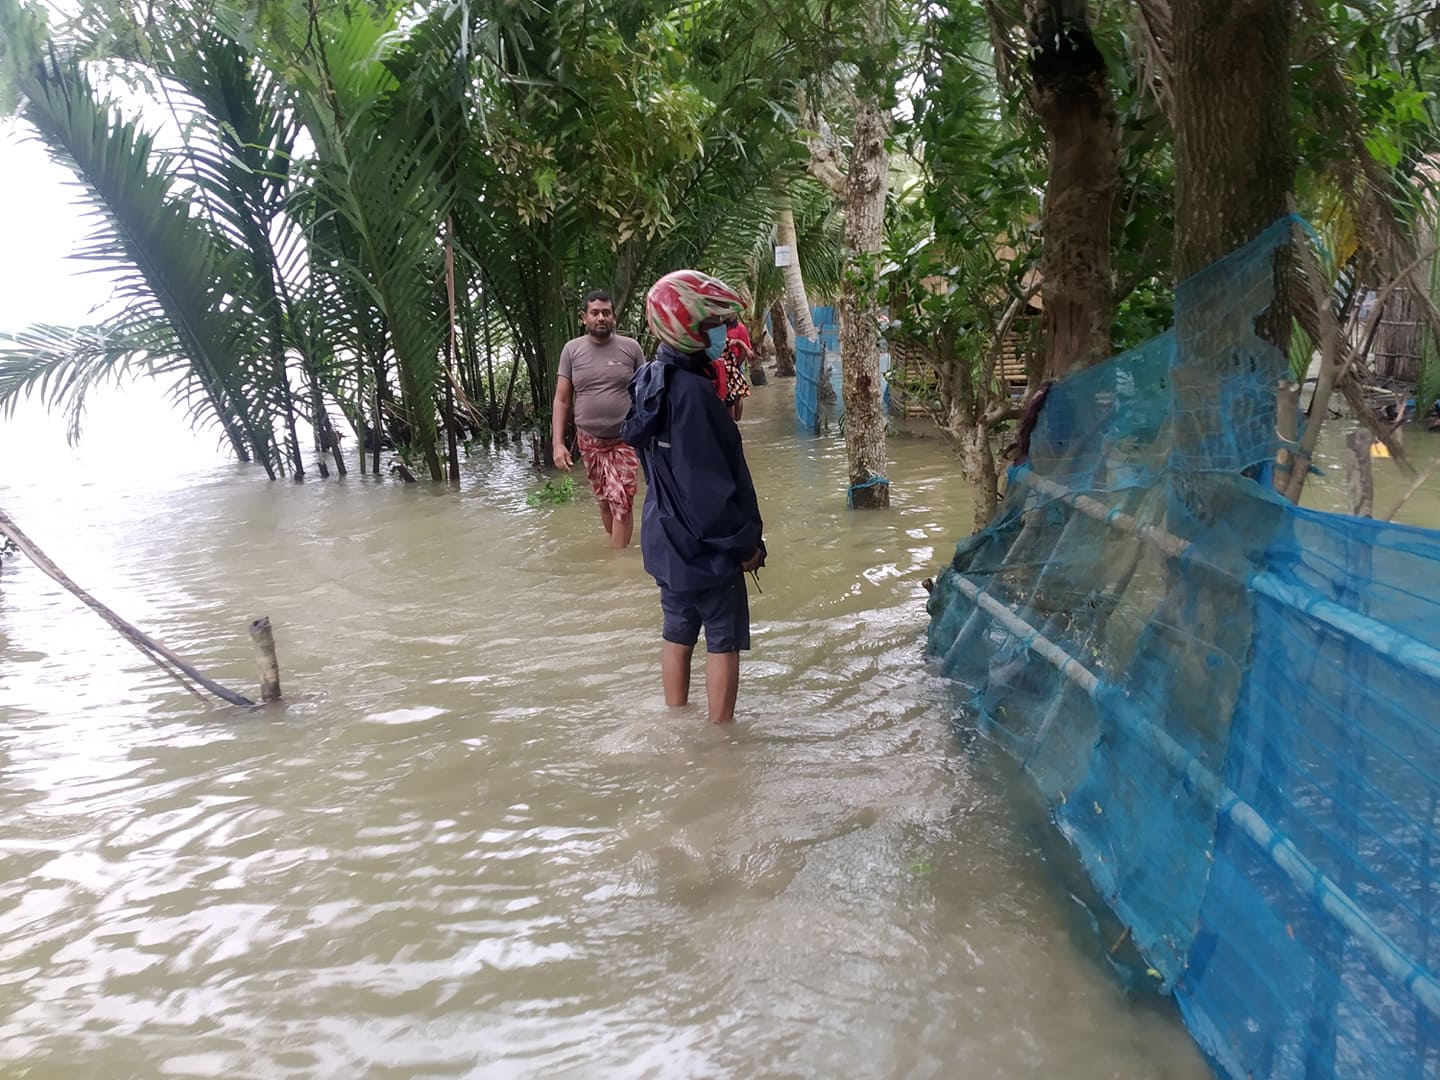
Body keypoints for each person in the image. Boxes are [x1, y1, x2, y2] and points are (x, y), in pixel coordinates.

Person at [622, 270, 766, 724]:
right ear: (688, 328)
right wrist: (743, 545)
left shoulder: (649, 380)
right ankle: (721, 742)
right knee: (723, 641)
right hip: (708, 548)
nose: (721, 334)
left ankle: (676, 724)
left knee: (677, 633)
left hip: (666, 542)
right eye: (712, 325)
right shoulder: (694, 394)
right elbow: (708, 488)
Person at [551, 290, 646, 548]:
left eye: (606, 312)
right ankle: (617, 546)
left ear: (614, 317)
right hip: (589, 440)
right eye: (595, 313)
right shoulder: (572, 350)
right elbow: (562, 399)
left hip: (625, 437)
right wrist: (557, 444)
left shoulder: (631, 348)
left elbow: (646, 392)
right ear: (584, 317)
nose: (601, 318)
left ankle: (618, 563)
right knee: (605, 500)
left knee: (622, 501)